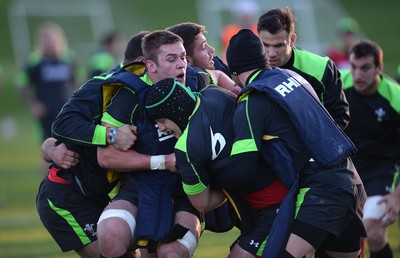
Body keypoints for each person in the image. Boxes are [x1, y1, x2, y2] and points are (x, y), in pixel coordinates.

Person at [225, 29, 366, 258]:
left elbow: (243, 169)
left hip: (322, 192)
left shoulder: (251, 102)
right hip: (351, 180)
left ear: (234, 71)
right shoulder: (291, 77)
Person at [144, 77, 288, 257]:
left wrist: (225, 181)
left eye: (162, 120)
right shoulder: (215, 92)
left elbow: (203, 204)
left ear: (174, 111)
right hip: (286, 182)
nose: (161, 127)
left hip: (270, 207)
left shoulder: (185, 149)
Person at [37, 31, 147, 258]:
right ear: (144, 62)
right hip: (67, 197)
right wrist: (112, 135)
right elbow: (62, 126)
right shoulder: (103, 85)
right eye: (169, 58)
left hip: (103, 195)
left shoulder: (153, 88)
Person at [96, 30, 203, 258]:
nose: (181, 65)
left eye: (183, 57)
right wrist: (162, 162)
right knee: (109, 236)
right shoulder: (128, 96)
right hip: (138, 188)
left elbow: (222, 82)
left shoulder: (197, 81)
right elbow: (106, 157)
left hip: (185, 191)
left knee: (171, 253)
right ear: (151, 66)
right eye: (171, 59)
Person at [343, 39, 400, 258]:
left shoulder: (395, 98)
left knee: (372, 232)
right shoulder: (338, 84)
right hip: (346, 169)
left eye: (365, 68)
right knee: (340, 234)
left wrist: (397, 196)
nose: (357, 74)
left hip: (381, 171)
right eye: (353, 67)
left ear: (379, 68)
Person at [257, 7, 350, 130]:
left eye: (279, 45)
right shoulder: (248, 68)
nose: (271, 53)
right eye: (265, 45)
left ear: (292, 40)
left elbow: (340, 116)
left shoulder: (321, 68)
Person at [16, 21, 82, 176]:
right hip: (46, 114)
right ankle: (47, 186)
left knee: (70, 149)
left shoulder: (69, 58)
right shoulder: (35, 61)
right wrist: (33, 104)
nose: (49, 43)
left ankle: (66, 185)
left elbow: (79, 82)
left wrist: (77, 102)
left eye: (52, 39)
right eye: (46, 39)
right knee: (48, 150)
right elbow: (21, 84)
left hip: (66, 113)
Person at [167, 22, 241, 94]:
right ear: (187, 60)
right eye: (204, 47)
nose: (212, 49)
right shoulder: (191, 83)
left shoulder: (218, 65)